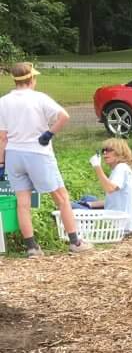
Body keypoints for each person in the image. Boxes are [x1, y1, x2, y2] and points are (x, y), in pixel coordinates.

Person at [0, 62, 92, 257]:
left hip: (14, 154)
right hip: (38, 153)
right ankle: (75, 242)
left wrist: (1, 163)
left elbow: (2, 137)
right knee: (61, 197)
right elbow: (64, 116)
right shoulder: (39, 98)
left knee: (22, 202)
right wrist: (48, 134)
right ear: (32, 79)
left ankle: (32, 248)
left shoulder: (4, 101)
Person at [84, 139, 132, 232]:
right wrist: (89, 204)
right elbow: (113, 200)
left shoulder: (121, 168)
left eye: (109, 150)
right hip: (122, 218)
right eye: (104, 150)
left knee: (72, 207)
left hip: (118, 223)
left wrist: (97, 167)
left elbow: (109, 188)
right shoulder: (120, 169)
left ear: (120, 153)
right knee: (87, 199)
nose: (105, 153)